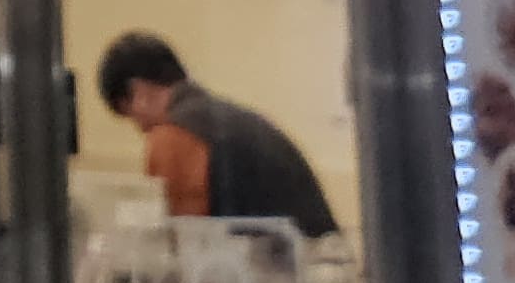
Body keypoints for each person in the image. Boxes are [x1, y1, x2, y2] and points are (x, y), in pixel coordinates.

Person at [97, 32, 339, 239]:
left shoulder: (174, 135)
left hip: (280, 274)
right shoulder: (232, 121)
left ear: (139, 91)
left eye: (131, 115)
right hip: (317, 266)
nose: (141, 129)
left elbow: (184, 242)